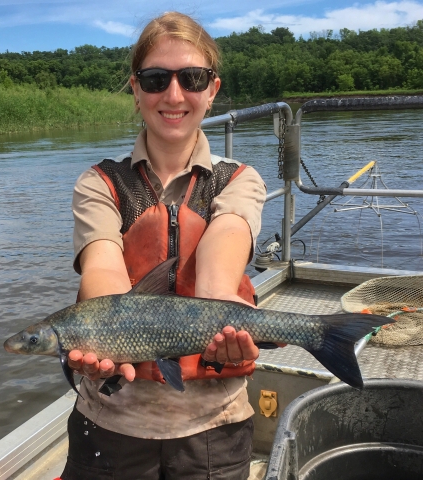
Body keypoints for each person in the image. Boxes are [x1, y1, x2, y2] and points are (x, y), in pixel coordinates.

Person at [60, 11, 269, 480]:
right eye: (156, 80)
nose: (174, 95)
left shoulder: (238, 180)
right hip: (113, 423)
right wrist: (101, 337)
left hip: (214, 427)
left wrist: (218, 312)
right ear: (136, 90)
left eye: (192, 78)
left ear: (212, 90)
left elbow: (227, 240)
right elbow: (103, 270)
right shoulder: (100, 184)